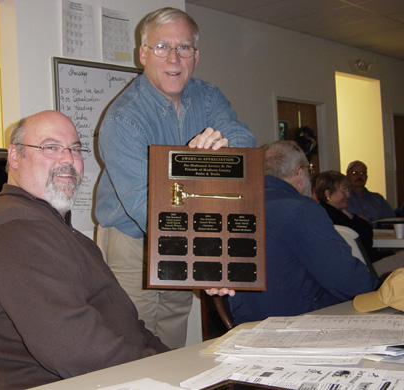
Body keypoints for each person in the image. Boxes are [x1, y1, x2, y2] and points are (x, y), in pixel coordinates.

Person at [0, 110, 169, 390]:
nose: (68, 159)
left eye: (75, 149)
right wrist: (164, 373)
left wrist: (171, 360)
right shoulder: (14, 235)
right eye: (51, 147)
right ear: (15, 157)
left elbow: (130, 326)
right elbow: (77, 349)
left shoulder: (53, 229)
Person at [94, 7, 255, 348]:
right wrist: (209, 259)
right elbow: (146, 205)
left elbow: (245, 143)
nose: (173, 58)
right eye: (161, 47)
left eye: (183, 48)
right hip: (131, 239)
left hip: (185, 227)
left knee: (172, 332)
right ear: (143, 54)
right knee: (131, 341)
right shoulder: (123, 119)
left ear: (196, 56)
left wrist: (224, 148)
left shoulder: (208, 97)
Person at [226, 141, 379, 326]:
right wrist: (382, 292)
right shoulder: (301, 209)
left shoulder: (231, 207)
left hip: (248, 323)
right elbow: (346, 279)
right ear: (299, 174)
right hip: (301, 324)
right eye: (309, 170)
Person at [314, 171, 375, 259]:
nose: (349, 195)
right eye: (344, 191)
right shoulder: (335, 217)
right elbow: (365, 241)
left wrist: (347, 213)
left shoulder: (321, 212)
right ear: (328, 194)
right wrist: (350, 216)